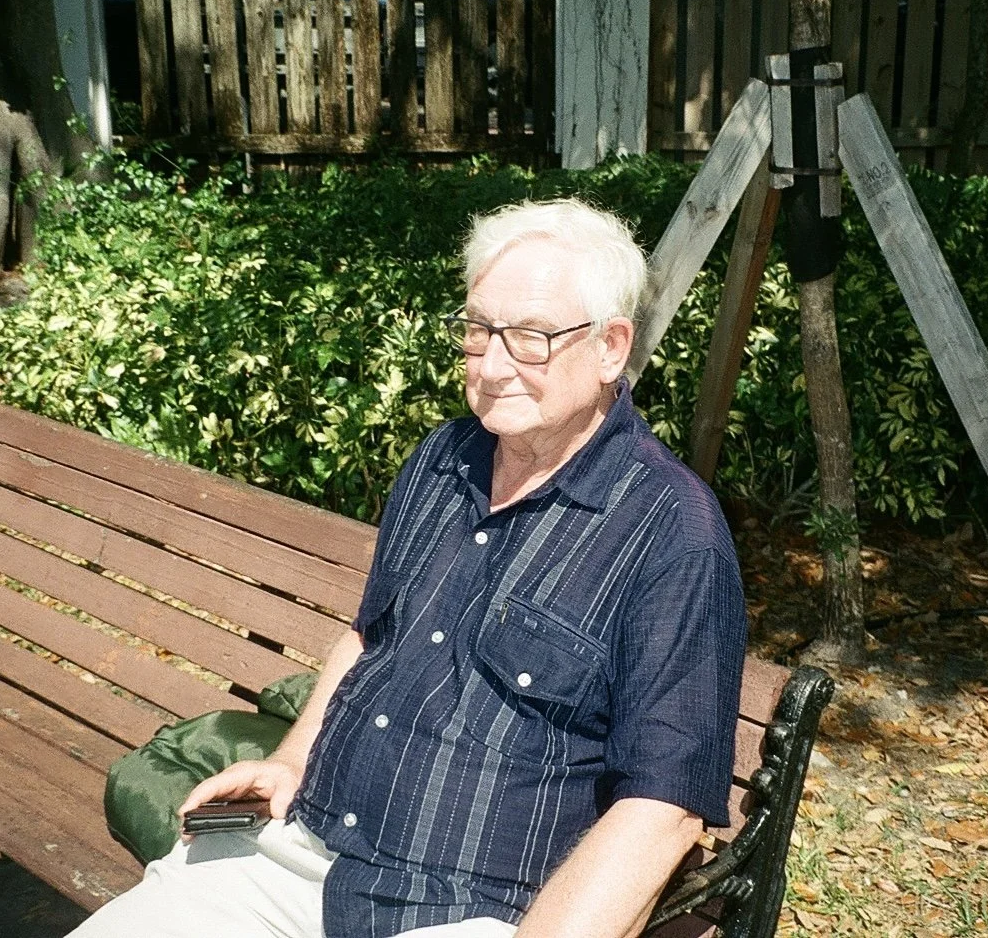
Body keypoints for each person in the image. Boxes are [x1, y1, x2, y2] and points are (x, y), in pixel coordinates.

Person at [69, 199, 747, 938]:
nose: (490, 366)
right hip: (300, 857)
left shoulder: (671, 532)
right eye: (477, 330)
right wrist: (291, 761)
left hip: (469, 912)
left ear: (611, 346)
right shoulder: (442, 459)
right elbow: (370, 635)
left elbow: (663, 809)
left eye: (528, 338)